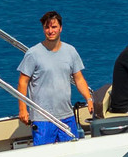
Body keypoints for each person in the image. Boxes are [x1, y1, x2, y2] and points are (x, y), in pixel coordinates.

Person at [17, 10, 92, 145]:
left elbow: (79, 78)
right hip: (42, 119)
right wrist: (23, 109)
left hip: (67, 116)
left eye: (54, 27)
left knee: (70, 154)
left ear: (60, 28)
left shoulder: (70, 51)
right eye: (47, 27)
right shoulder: (33, 53)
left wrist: (89, 98)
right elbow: (23, 82)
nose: (50, 31)